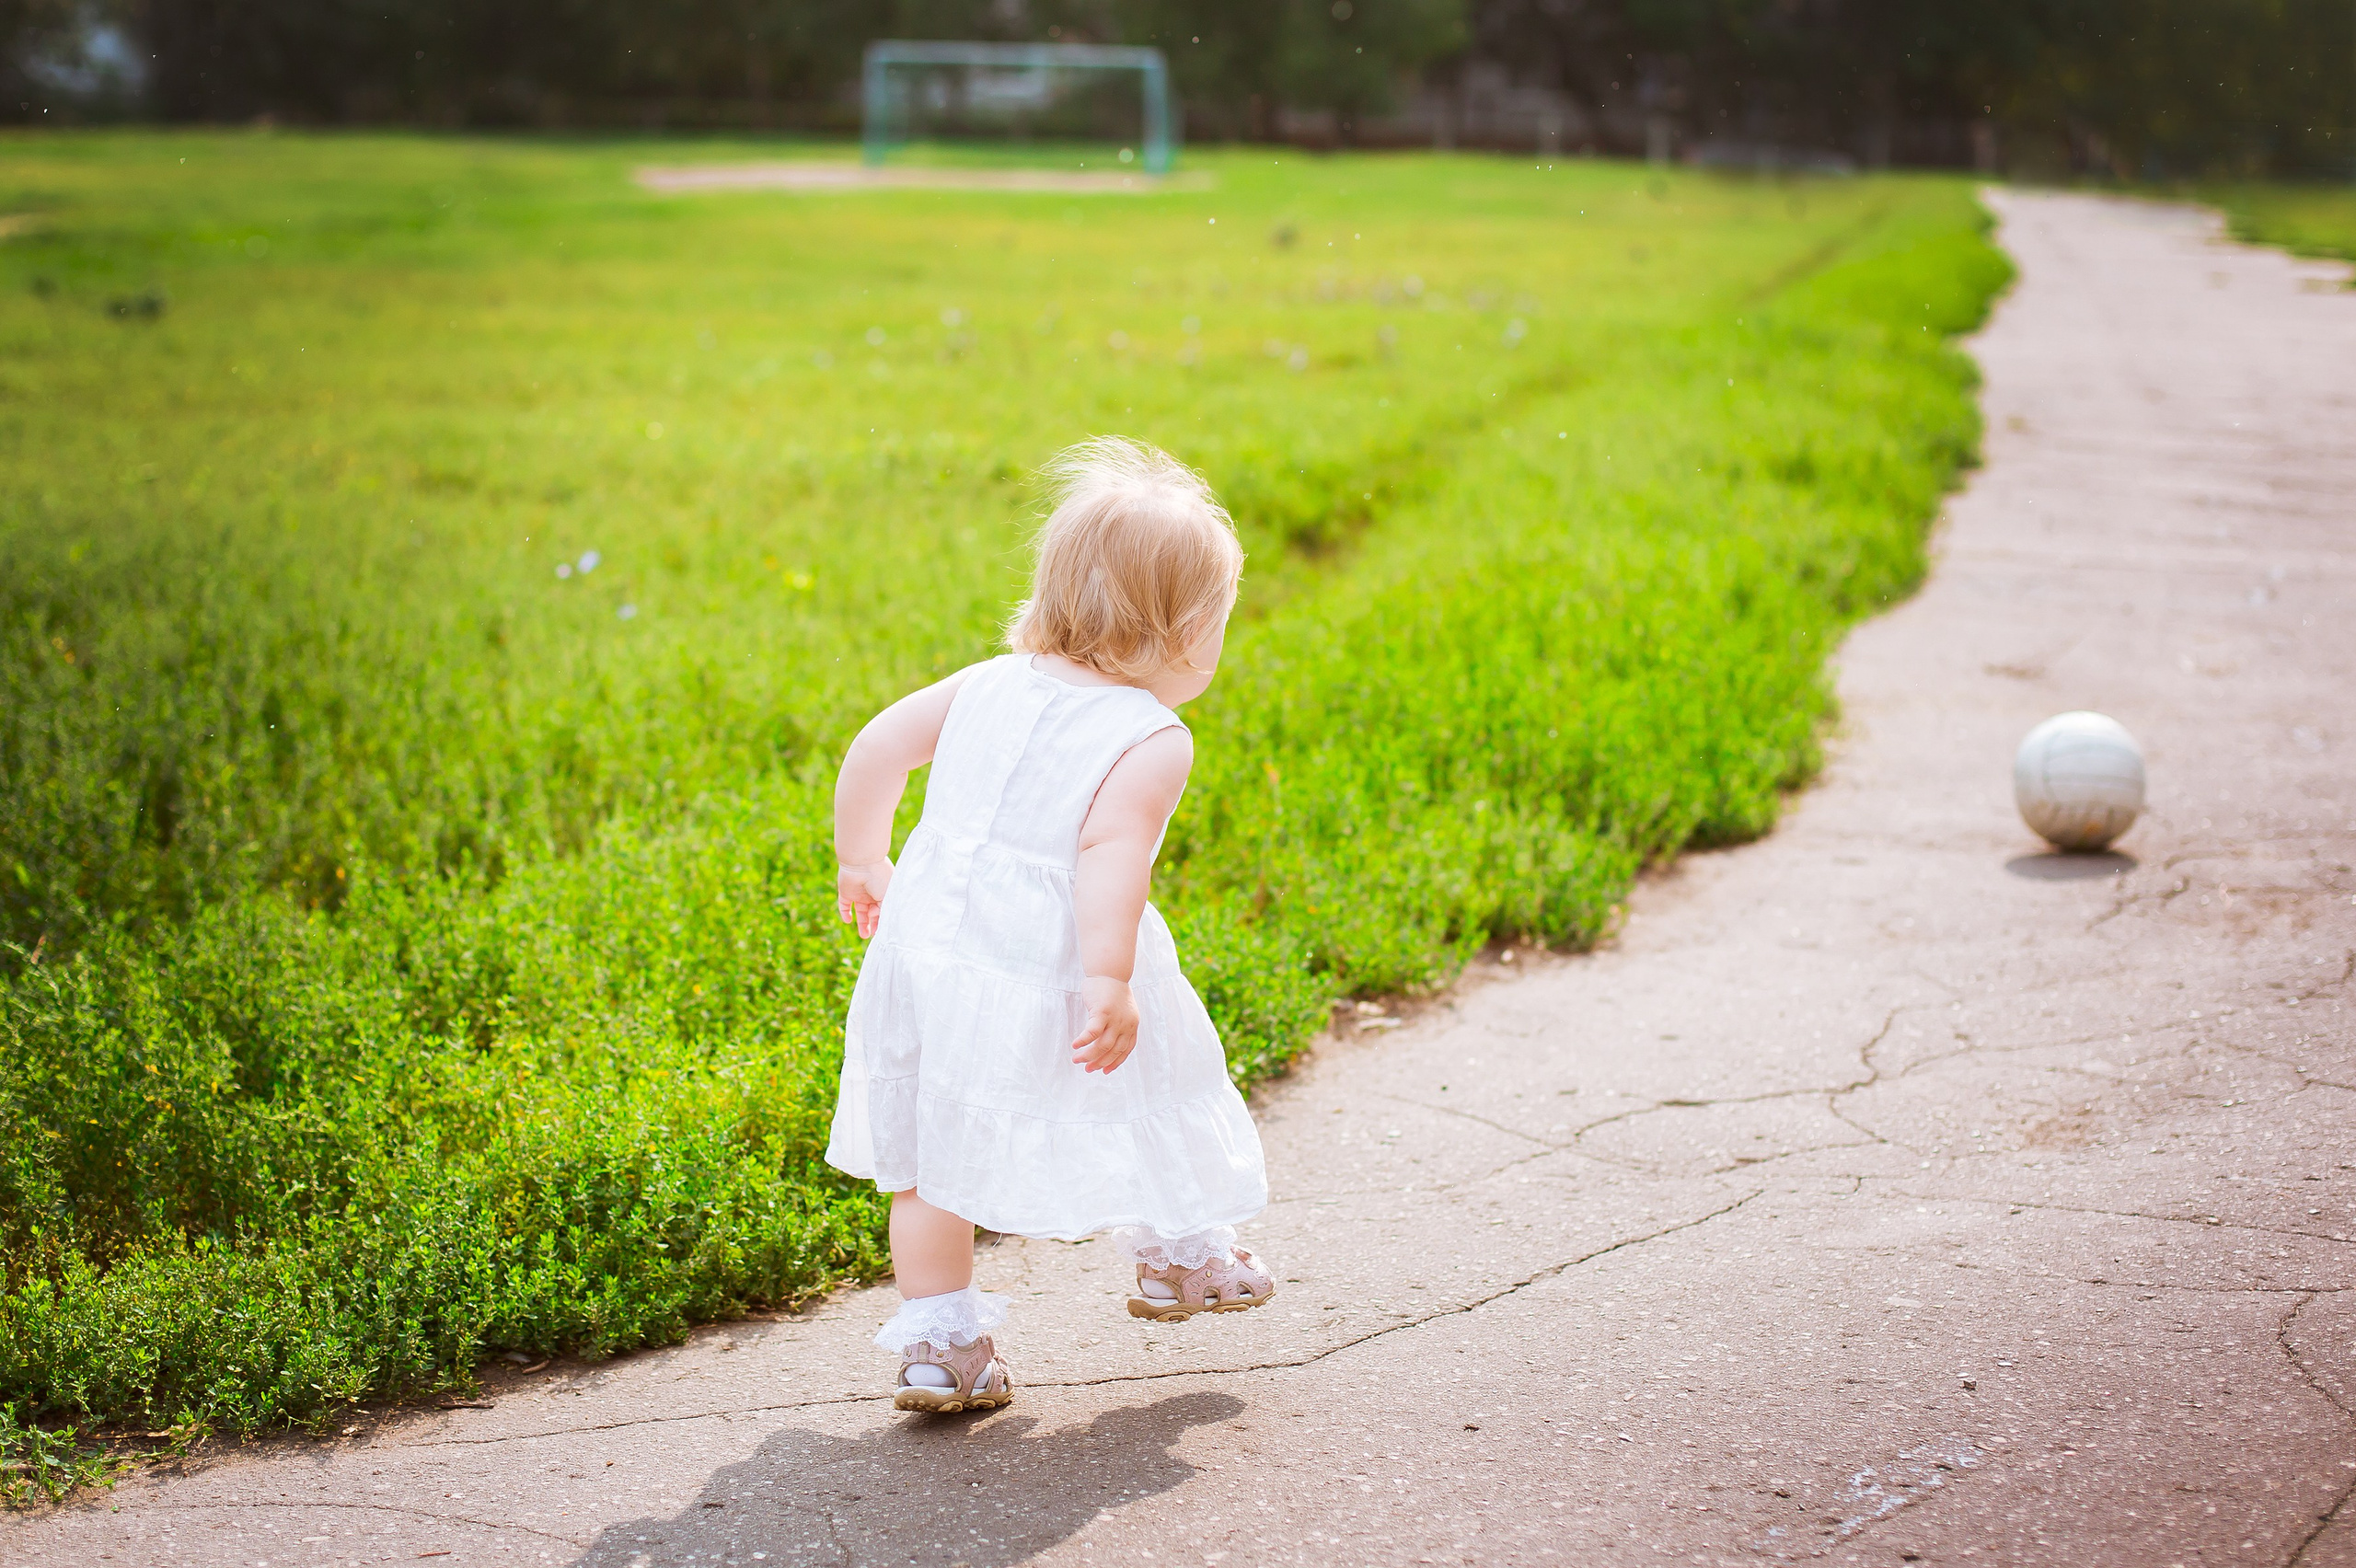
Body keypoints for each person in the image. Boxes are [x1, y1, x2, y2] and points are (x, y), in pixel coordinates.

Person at [826, 436, 1276, 1413]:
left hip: (938, 952)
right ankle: (1179, 1257)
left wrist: (862, 857)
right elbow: (1109, 856)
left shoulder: (987, 682)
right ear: (1188, 631)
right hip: (1059, 957)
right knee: (1146, 1083)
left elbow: (878, 747)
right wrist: (1108, 979)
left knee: (932, 1156)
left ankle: (939, 1349)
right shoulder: (1152, 737)